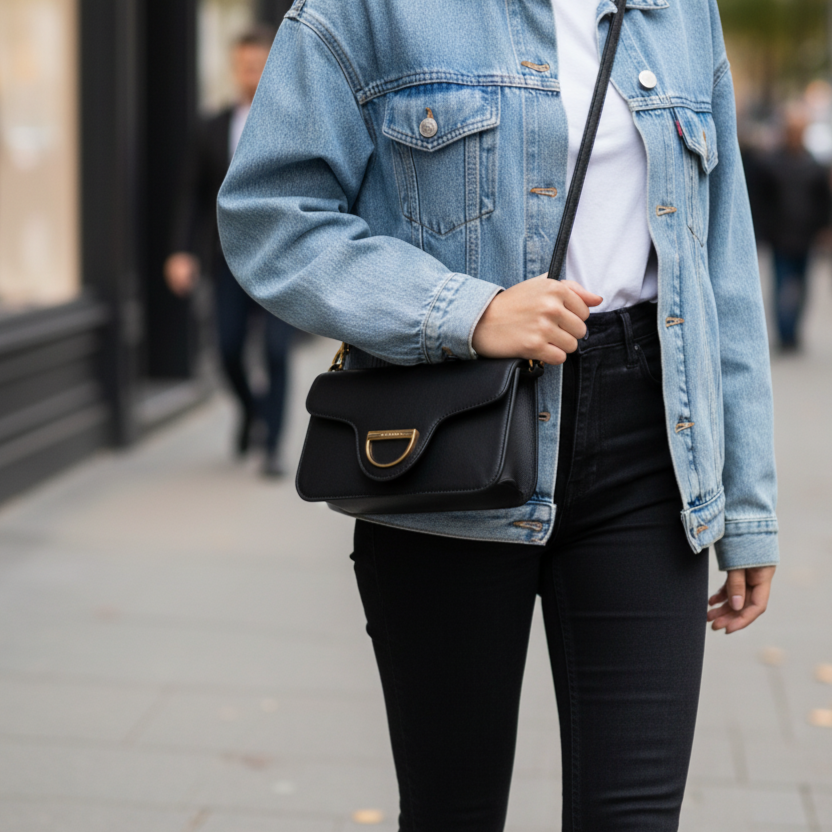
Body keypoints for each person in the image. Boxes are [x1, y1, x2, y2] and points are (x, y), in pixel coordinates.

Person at [218, 2, 780, 829]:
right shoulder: (368, 10)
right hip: (451, 447)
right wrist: (461, 311)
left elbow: (720, 259)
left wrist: (746, 507)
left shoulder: (679, 10)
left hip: (652, 445)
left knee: (635, 817)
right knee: (454, 809)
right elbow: (270, 214)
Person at [165, 24, 294, 477]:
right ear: (234, 68)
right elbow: (193, 196)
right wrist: (182, 252)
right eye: (243, 65)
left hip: (281, 259)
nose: (250, 73)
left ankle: (273, 448)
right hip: (228, 262)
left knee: (277, 353)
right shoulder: (211, 126)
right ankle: (252, 411)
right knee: (227, 350)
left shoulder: (292, 122)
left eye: (258, 65)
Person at [757, 108, 831, 352]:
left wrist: (824, 229)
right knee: (781, 286)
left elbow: (823, 202)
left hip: (806, 237)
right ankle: (785, 333)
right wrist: (764, 231)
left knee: (802, 286)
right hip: (780, 237)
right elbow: (761, 201)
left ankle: (795, 330)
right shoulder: (770, 164)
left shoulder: (814, 166)